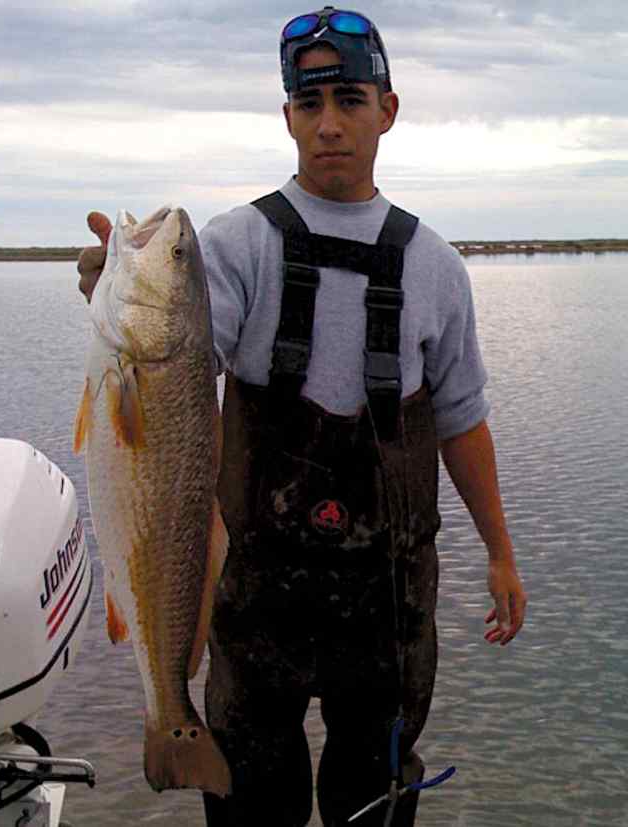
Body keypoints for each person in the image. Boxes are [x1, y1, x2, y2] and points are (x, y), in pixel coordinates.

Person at [78, 7, 527, 826]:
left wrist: (500, 550)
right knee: (254, 802)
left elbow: (462, 420)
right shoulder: (235, 245)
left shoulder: (436, 267)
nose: (329, 126)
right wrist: (109, 307)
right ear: (286, 114)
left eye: (350, 101)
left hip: (389, 608)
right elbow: (176, 366)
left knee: (376, 801)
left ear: (387, 110)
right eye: (309, 105)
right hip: (255, 599)